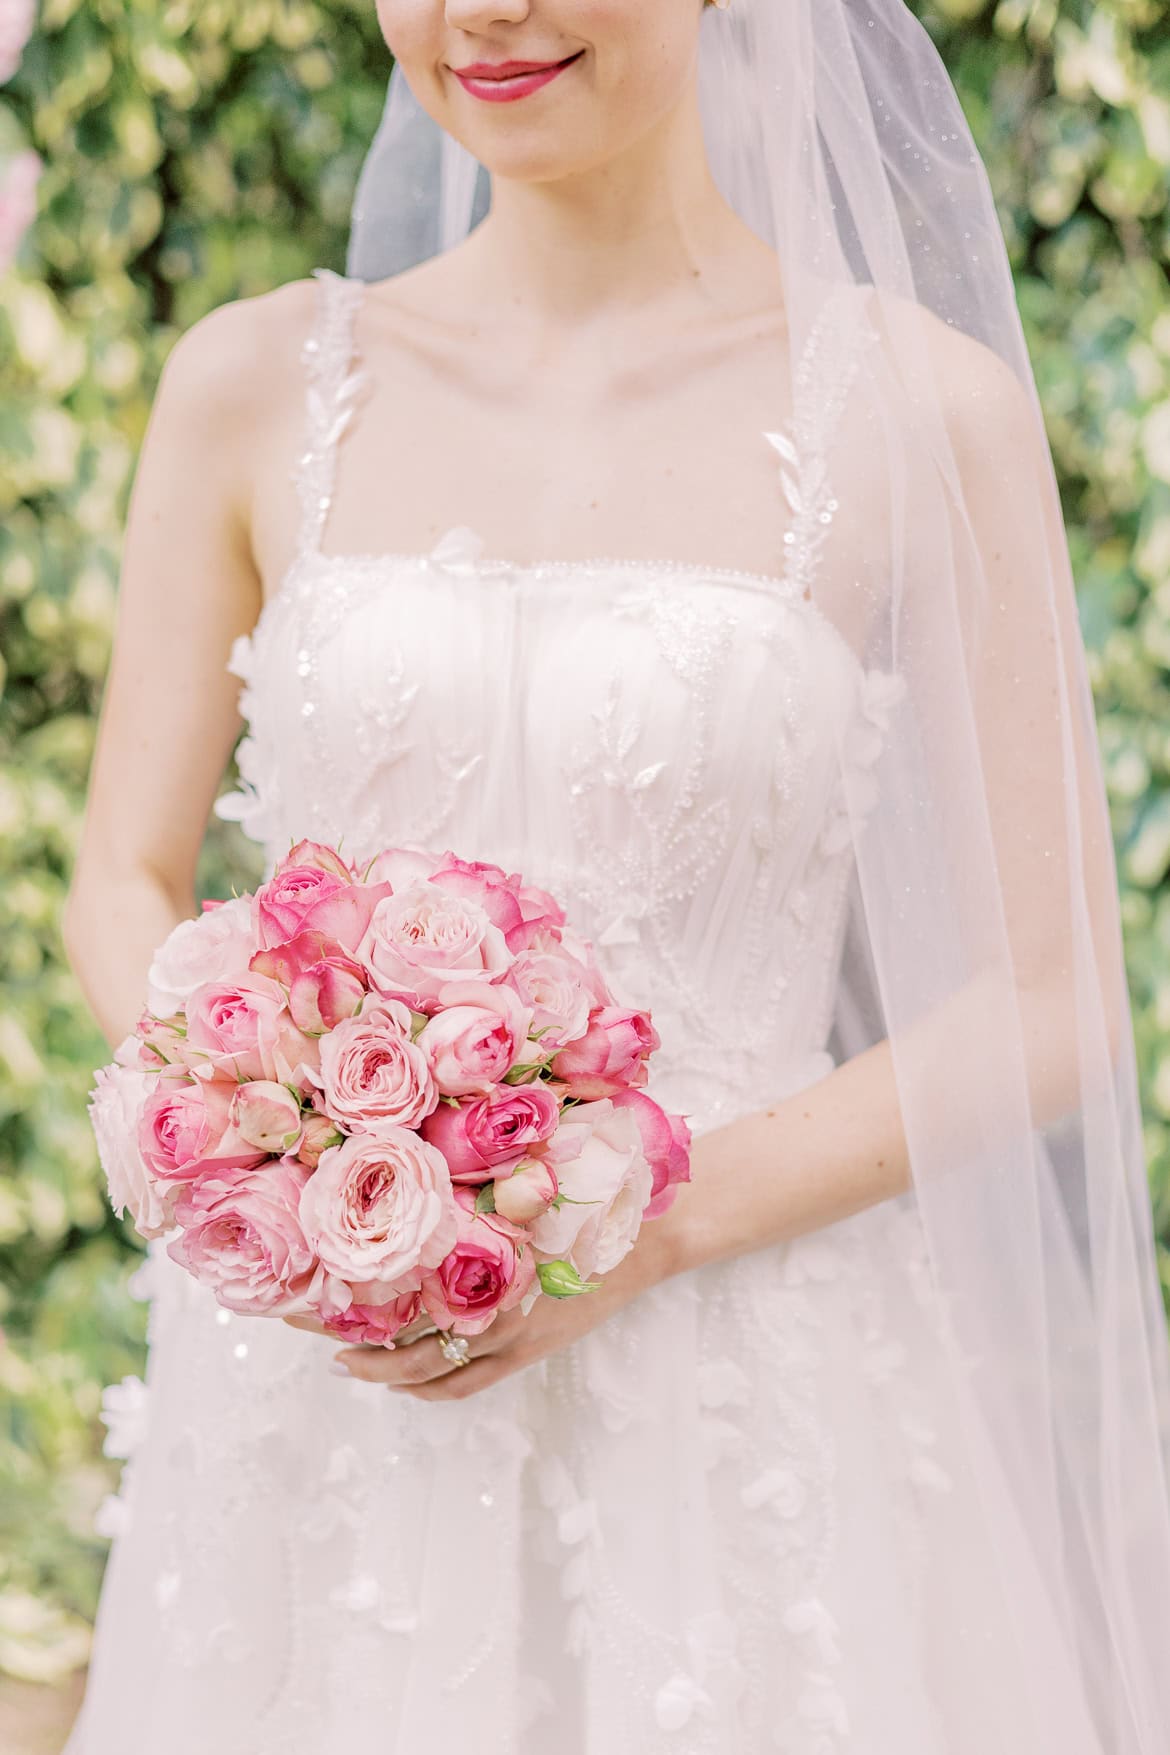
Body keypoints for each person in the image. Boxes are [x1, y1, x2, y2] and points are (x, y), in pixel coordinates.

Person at [61, 1, 1170, 1751]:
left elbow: (1049, 998)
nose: (478, 15)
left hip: (741, 1388)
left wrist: (640, 1225)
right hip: (325, 1397)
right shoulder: (250, 386)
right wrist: (274, 1126)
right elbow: (119, 873)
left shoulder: (921, 411)